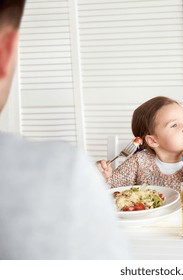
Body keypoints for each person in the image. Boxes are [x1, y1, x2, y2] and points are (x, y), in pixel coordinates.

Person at [0, 0, 131, 259]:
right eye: (174, 124)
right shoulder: (59, 173)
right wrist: (98, 180)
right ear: (6, 51)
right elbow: (120, 189)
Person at [97, 96, 183, 208]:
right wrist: (104, 178)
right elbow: (112, 195)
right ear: (153, 141)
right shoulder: (139, 162)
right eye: (174, 125)